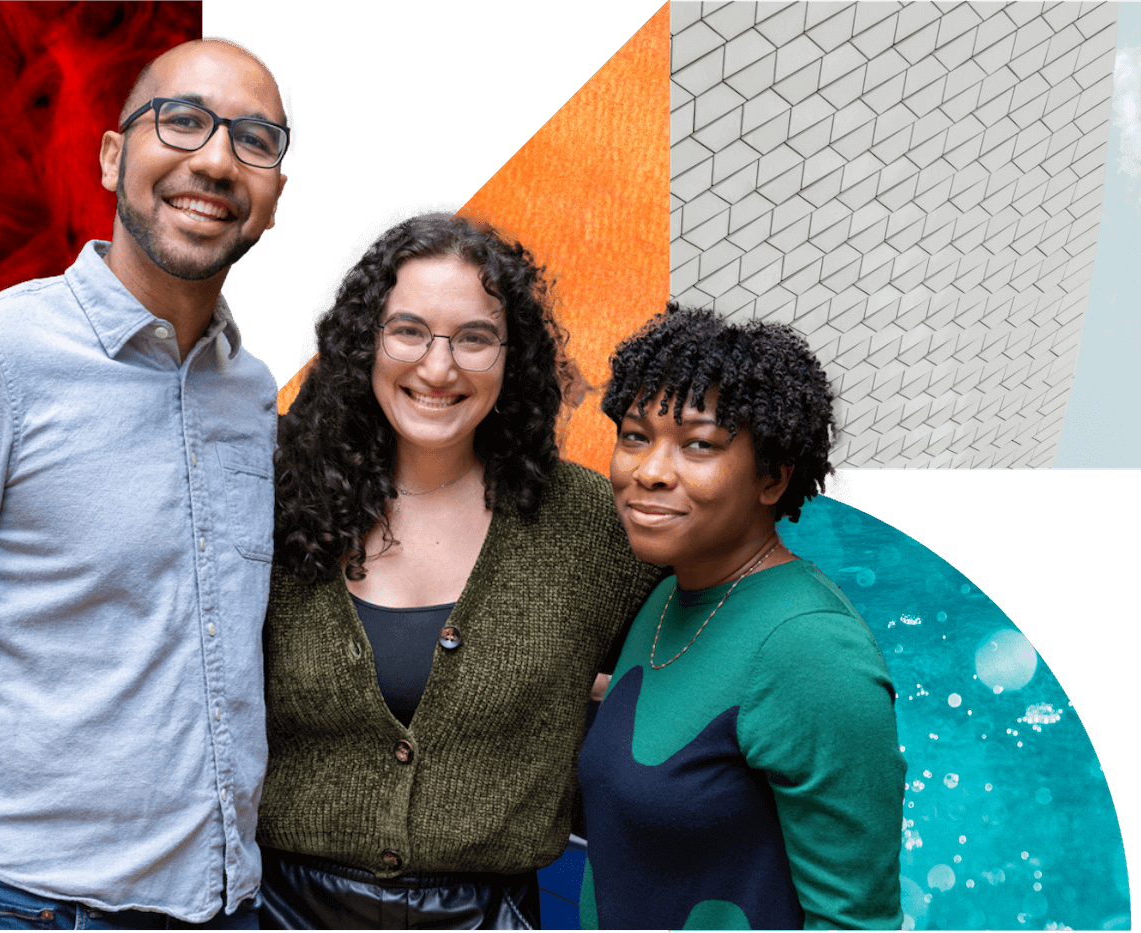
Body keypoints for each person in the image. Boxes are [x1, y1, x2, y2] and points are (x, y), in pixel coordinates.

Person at [0, 37, 289, 930]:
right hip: (29, 907)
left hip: (226, 904)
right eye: (183, 121)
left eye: (254, 140)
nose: (215, 159)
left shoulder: (253, 394)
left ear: (273, 204)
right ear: (114, 156)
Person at [258, 210, 664, 929]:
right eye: (408, 330)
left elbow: (694, 657)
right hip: (275, 911)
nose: (438, 367)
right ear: (364, 343)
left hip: (493, 914)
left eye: (474, 338)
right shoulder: (273, 498)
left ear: (515, 357)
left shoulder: (588, 525)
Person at [578, 304, 906, 930]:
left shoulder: (811, 648)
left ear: (773, 478)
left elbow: (855, 923)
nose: (649, 472)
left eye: (699, 445)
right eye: (635, 435)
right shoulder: (668, 595)